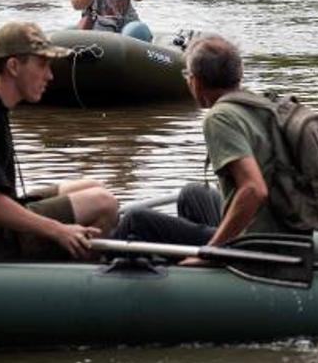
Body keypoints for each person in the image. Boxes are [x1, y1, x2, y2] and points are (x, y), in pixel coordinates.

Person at [0, 21, 119, 260]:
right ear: (14, 66)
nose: (49, 75)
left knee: (94, 187)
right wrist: (59, 230)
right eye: (42, 64)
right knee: (104, 203)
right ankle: (85, 281)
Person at [112, 36, 297, 257]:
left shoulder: (220, 117)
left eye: (187, 76)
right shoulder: (257, 102)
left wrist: (210, 251)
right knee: (193, 194)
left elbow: (254, 189)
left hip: (255, 241)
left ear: (196, 82)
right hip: (280, 224)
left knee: (136, 221)